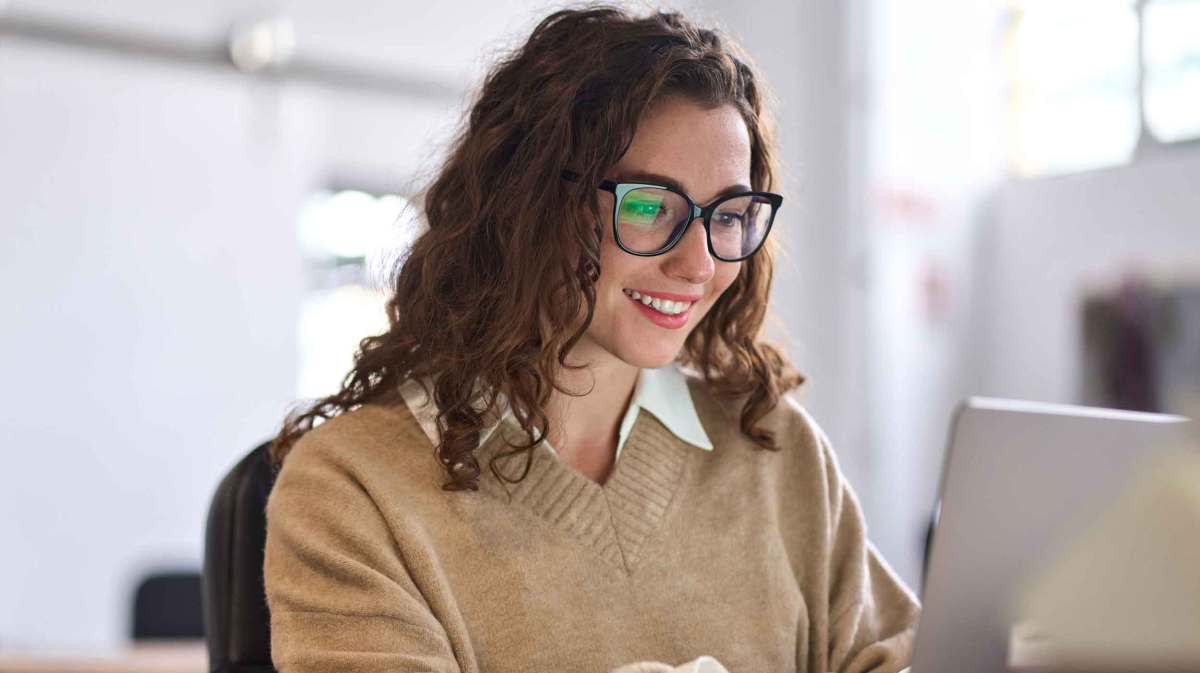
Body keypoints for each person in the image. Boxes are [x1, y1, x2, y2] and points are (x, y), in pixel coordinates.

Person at [263, 6, 919, 673]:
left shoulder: (777, 451)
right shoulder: (352, 489)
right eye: (647, 205)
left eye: (728, 214)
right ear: (530, 203)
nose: (698, 264)